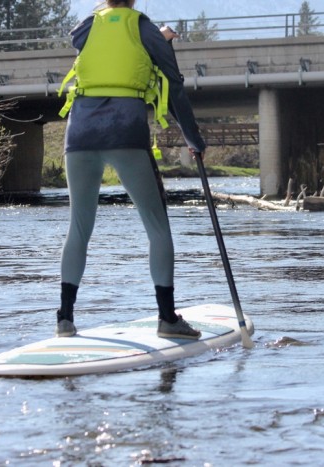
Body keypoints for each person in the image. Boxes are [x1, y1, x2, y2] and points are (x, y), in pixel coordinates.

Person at [55, 0, 206, 339]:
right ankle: (167, 320)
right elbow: (174, 87)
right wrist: (193, 139)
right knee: (157, 227)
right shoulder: (142, 26)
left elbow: (85, 41)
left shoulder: (89, 23)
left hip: (79, 135)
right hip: (124, 133)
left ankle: (65, 319)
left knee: (78, 227)